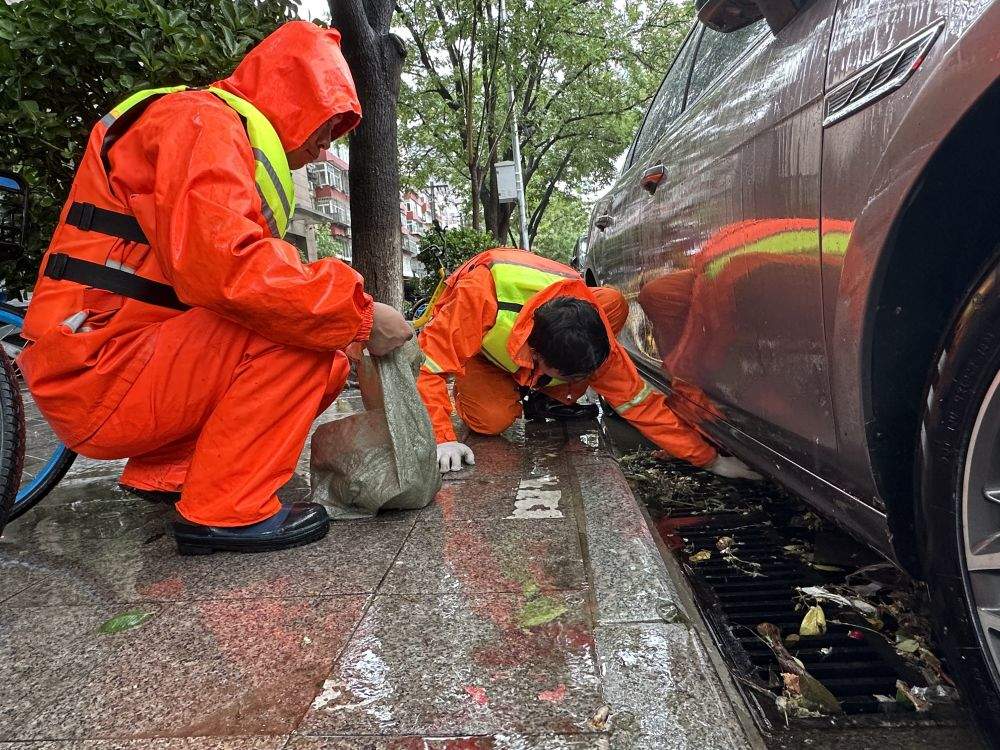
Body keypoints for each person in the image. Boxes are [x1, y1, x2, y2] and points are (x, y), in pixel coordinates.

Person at [18, 21, 413, 554]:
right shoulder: (201, 122)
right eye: (324, 128)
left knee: (321, 343)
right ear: (294, 97)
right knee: (304, 337)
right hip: (102, 375)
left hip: (105, 365)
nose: (323, 151)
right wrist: (362, 316)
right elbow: (231, 270)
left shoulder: (209, 128)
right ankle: (227, 509)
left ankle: (173, 474)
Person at [416, 248, 761, 480]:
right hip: (482, 351)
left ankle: (538, 396)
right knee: (490, 421)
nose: (582, 385)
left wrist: (711, 459)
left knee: (611, 300)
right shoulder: (480, 294)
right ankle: (506, 388)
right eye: (559, 379)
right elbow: (429, 365)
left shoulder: (595, 339)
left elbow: (639, 404)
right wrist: (441, 437)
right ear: (535, 357)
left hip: (536, 341)